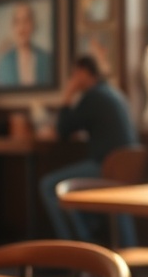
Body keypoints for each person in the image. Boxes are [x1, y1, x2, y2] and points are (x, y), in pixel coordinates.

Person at [40, 54, 138, 245]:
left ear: (84, 72)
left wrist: (68, 94)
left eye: (74, 74)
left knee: (49, 185)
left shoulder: (93, 96)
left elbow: (63, 130)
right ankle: (89, 231)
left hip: (106, 165)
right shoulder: (113, 93)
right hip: (126, 165)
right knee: (80, 193)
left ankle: (77, 246)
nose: (73, 79)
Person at [0, 2, 53, 87]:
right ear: (12, 27)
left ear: (33, 25)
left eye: (26, 21)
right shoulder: (4, 63)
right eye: (17, 21)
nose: (22, 27)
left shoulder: (47, 59)